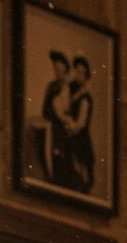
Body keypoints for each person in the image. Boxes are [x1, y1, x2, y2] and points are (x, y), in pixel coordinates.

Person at [40, 50, 72, 186]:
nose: (58, 72)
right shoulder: (52, 87)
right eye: (56, 69)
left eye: (60, 69)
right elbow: (45, 109)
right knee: (51, 150)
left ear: (65, 69)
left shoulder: (70, 88)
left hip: (66, 126)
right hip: (54, 124)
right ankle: (51, 176)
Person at [66, 55, 95, 194]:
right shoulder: (73, 91)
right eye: (77, 71)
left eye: (82, 72)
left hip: (80, 138)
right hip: (73, 136)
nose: (79, 75)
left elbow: (81, 124)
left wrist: (72, 127)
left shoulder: (85, 99)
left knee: (81, 170)